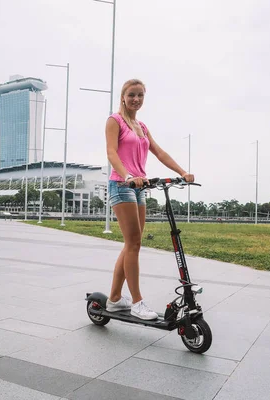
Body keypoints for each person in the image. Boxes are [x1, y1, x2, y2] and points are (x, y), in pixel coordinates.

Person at [105, 78, 194, 320]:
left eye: (140, 95)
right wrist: (128, 175)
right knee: (133, 244)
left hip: (139, 187)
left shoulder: (142, 126)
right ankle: (136, 302)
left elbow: (159, 151)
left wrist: (182, 172)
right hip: (122, 185)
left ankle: (114, 298)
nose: (136, 99)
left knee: (132, 244)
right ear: (123, 96)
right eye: (131, 94)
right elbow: (111, 152)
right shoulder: (115, 121)